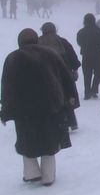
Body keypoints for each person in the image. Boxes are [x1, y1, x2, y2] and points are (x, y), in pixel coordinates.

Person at [1, 28, 79, 186]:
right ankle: (48, 176)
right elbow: (66, 77)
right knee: (49, 139)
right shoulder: (51, 54)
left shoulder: (12, 58)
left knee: (26, 140)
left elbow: (7, 87)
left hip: (23, 109)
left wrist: (6, 110)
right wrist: (71, 97)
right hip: (50, 105)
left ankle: (31, 173)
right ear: (36, 39)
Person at [38, 22, 82, 131]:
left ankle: (59, 124)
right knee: (67, 97)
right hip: (64, 75)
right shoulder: (62, 42)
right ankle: (72, 122)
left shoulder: (38, 43)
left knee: (53, 99)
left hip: (46, 76)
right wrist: (74, 69)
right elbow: (73, 58)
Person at [76, 13, 100, 100]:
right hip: (97, 55)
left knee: (87, 74)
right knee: (98, 73)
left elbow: (79, 42)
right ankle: (94, 89)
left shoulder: (81, 31)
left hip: (86, 55)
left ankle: (87, 93)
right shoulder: (98, 31)